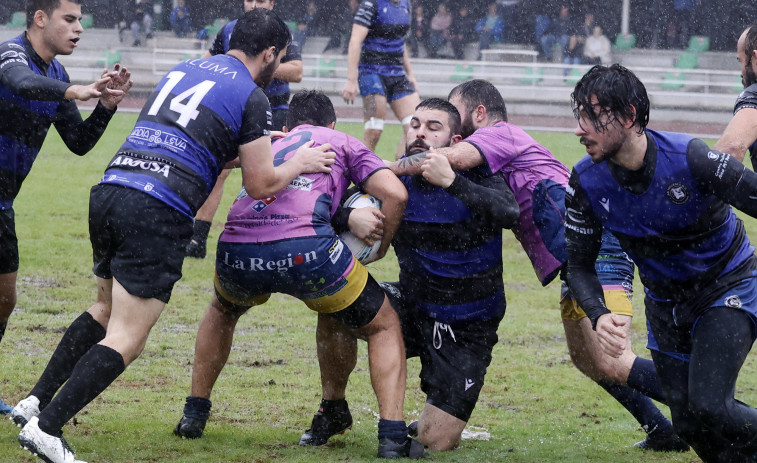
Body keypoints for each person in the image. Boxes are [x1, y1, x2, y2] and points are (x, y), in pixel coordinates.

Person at [11, 10, 336, 463]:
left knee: (104, 310)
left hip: (112, 190)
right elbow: (262, 186)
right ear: (270, 54)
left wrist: (250, 151)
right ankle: (47, 430)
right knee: (128, 335)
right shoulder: (253, 95)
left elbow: (193, 142)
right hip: (157, 210)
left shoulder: (185, 68)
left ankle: (34, 402)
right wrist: (298, 161)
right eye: (278, 57)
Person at [388, 79, 686, 451]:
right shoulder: (491, 153)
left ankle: (710, 403)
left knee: (614, 358)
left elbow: (450, 158)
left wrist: (383, 167)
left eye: (454, 111)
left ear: (479, 113)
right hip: (575, 260)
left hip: (599, 249)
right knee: (588, 360)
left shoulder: (500, 133)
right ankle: (662, 430)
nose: (452, 125)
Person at [172, 90, 425, 459]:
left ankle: (194, 414)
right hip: (306, 252)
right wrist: (381, 248)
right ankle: (391, 437)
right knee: (382, 323)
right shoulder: (342, 141)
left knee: (223, 311)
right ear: (332, 125)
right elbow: (396, 194)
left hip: (238, 249)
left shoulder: (271, 143)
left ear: (287, 127)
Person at [301, 97, 520, 451]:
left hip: (468, 326)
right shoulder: (392, 184)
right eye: (415, 125)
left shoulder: (476, 176)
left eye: (434, 128)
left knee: (434, 440)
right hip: (412, 307)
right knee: (335, 302)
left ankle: (437, 412)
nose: (420, 133)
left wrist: (452, 183)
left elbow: (510, 213)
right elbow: (319, 210)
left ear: (456, 143)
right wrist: (347, 218)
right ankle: (333, 407)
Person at [565, 63, 757, 463]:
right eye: (578, 116)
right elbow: (579, 266)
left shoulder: (690, 159)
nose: (580, 129)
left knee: (710, 406)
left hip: (727, 286)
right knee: (688, 425)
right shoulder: (585, 181)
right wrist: (599, 315)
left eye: (592, 116)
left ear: (629, 115)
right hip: (665, 305)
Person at [0, 0, 132, 415]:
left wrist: (106, 107)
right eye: (69, 20)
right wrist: (75, 91)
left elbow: (78, 142)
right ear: (41, 19)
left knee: (5, 299)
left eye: (80, 21)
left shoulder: (56, 74)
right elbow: (21, 83)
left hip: (4, 203)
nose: (78, 29)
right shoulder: (11, 55)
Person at [185, 0, 304, 259]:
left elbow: (297, 72)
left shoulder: (281, 32)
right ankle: (198, 238)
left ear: (272, 3)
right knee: (221, 168)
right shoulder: (230, 29)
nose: (254, 4)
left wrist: (258, 64)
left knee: (266, 174)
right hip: (233, 105)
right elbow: (209, 60)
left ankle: (270, 236)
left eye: (260, 0)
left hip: (273, 108)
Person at [342, 0, 420, 160]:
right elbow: (355, 40)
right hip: (370, 74)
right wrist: (351, 80)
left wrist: (410, 73)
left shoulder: (406, 5)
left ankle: (400, 173)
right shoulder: (371, 5)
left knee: (417, 128)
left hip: (397, 75)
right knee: (374, 129)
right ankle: (360, 176)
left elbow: (401, 41)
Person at [714, 23, 757, 168]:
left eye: (742, 61)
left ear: (755, 57)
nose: (741, 72)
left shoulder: (754, 94)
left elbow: (732, 148)